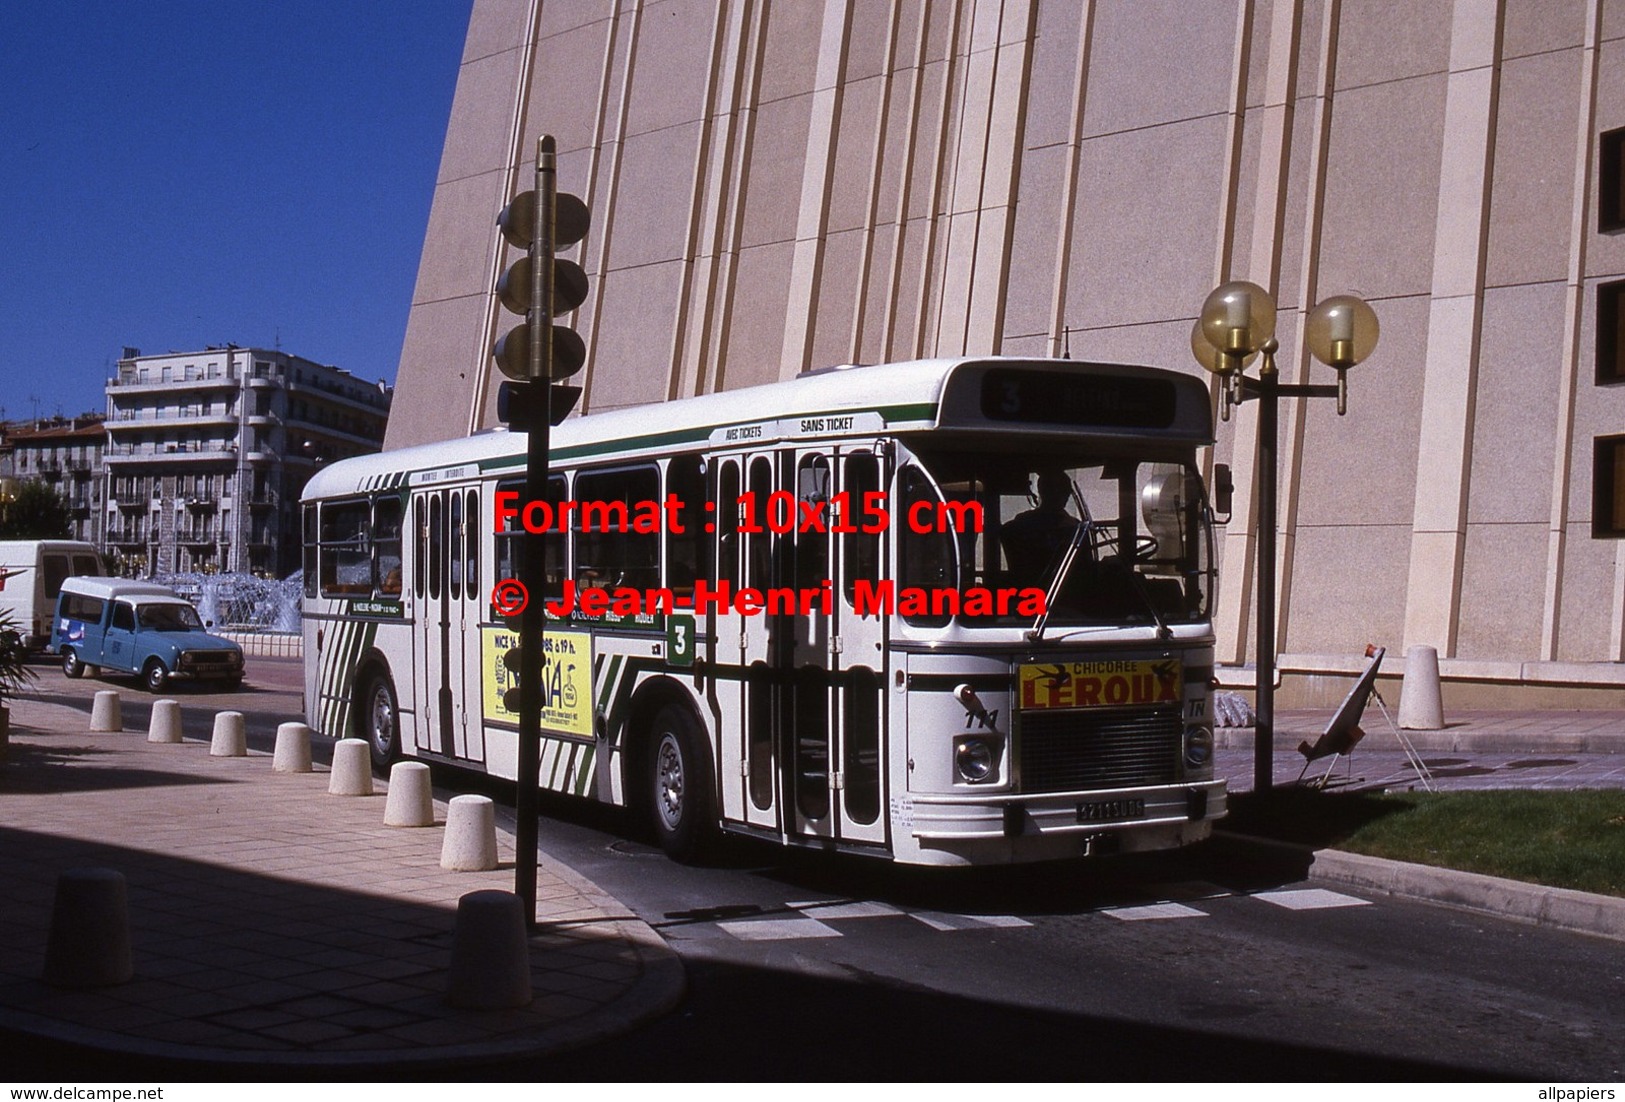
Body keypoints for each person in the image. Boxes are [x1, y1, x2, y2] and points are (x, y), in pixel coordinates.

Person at [1000, 469, 1081, 583]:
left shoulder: (1019, 525)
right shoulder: (1073, 528)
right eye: (1056, 491)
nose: (1064, 496)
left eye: (1064, 491)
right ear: (1043, 491)